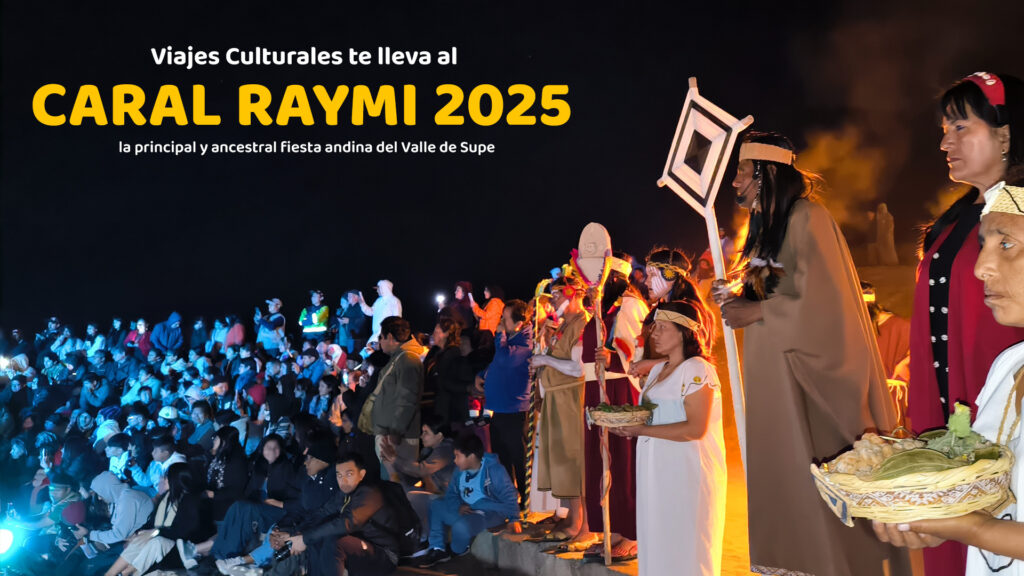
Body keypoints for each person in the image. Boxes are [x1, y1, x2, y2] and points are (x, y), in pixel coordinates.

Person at [716, 131, 907, 575]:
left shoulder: (808, 217)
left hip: (805, 380)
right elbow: (773, 292)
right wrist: (738, 299)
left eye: (742, 171)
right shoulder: (767, 231)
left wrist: (757, 312)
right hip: (774, 376)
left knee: (818, 487)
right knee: (784, 480)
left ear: (767, 174)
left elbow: (827, 304)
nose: (735, 182)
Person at [905, 72, 1024, 575]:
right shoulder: (957, 218)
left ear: (1005, 134)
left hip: (1002, 415)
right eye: (943, 130)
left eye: (960, 127)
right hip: (949, 408)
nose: (944, 142)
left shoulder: (1016, 211)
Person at [873, 182, 1024, 574]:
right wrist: (940, 520)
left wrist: (973, 528)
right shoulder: (1008, 367)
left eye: (1006, 244)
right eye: (983, 244)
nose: (980, 267)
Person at [609, 300, 724, 575]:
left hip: (687, 472)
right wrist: (623, 422)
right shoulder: (658, 371)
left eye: (662, 327)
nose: (654, 334)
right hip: (655, 470)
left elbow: (695, 429)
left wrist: (640, 430)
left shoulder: (697, 369)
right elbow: (653, 416)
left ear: (684, 332)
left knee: (686, 548)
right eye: (654, 328)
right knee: (657, 542)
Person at [529, 276, 589, 542]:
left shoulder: (583, 323)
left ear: (574, 294)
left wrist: (545, 360)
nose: (553, 301)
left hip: (570, 399)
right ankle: (571, 517)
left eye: (557, 295)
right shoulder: (564, 325)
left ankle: (579, 522)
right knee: (561, 460)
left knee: (572, 460)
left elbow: (578, 368)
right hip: (556, 399)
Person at [275, 452, 402, 576]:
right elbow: (323, 513)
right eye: (339, 475)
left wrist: (305, 538)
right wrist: (295, 533)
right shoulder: (344, 494)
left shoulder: (369, 493)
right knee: (316, 539)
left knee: (334, 543)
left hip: (383, 554)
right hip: (358, 546)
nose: (343, 480)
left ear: (361, 474)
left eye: (349, 474)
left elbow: (346, 523)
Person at [416, 433, 519, 567]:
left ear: (471, 456)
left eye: (457, 456)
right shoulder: (459, 471)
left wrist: (513, 519)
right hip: (466, 510)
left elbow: (509, 494)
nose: (455, 460)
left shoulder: (494, 470)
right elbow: (451, 494)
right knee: (436, 505)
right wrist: (458, 506)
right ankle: (437, 548)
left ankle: (459, 549)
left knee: (461, 527)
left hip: (487, 514)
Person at [102, 463, 214, 576]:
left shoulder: (192, 501)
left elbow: (184, 532)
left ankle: (125, 572)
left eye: (166, 477)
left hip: (183, 550)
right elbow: (151, 522)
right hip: (164, 547)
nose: (163, 480)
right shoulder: (166, 498)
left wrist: (154, 533)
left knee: (156, 542)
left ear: (175, 479)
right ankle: (113, 573)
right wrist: (138, 533)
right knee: (142, 539)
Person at [480, 299, 533, 511]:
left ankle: (526, 501)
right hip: (499, 408)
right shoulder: (510, 339)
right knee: (502, 457)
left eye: (505, 317)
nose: (501, 321)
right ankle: (509, 499)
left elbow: (505, 360)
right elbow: (497, 364)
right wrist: (482, 374)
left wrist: (499, 335)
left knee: (518, 458)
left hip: (515, 410)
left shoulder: (525, 342)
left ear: (519, 323)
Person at [55, 472, 154, 576]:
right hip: (127, 542)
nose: (99, 498)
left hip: (136, 544)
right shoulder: (120, 499)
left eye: (100, 494)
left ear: (107, 489)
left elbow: (118, 534)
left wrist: (89, 534)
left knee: (91, 567)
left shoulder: (128, 499)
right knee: (87, 565)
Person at [364, 316, 423, 481]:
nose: (380, 342)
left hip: (399, 439)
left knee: (398, 486)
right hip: (391, 435)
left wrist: (396, 431)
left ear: (390, 337)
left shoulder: (408, 359)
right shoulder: (399, 358)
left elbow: (408, 399)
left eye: (381, 337)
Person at [426, 316, 473, 428]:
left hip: (447, 406)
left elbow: (445, 381)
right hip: (436, 402)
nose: (433, 334)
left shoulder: (452, 353)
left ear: (446, 334)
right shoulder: (436, 352)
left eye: (437, 331)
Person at [360, 279, 403, 345]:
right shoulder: (378, 301)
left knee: (370, 349)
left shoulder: (394, 300)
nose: (377, 291)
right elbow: (371, 312)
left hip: (387, 336)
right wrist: (362, 303)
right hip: (376, 335)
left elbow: (397, 319)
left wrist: (393, 335)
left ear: (384, 288)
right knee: (368, 349)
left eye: (378, 289)